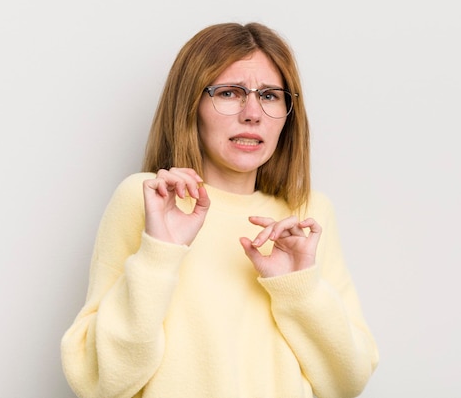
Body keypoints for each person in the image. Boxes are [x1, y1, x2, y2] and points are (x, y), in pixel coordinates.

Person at [61, 22, 379, 398]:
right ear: (190, 105)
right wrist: (159, 255)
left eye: (271, 96)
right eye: (229, 93)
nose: (252, 113)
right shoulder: (147, 200)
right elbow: (101, 381)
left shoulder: (307, 214)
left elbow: (347, 382)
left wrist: (299, 289)